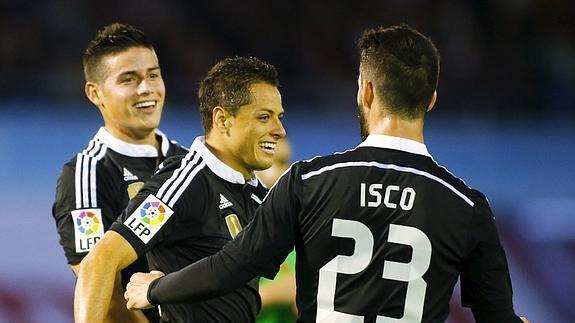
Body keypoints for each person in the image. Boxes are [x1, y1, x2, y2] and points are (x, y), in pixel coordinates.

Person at [124, 25, 530, 323]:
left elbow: (233, 266)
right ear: (432, 100)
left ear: (366, 92)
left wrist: (155, 289)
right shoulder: (467, 206)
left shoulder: (308, 181)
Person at [74, 56, 286, 322]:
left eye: (279, 118)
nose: (279, 130)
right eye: (264, 117)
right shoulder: (184, 183)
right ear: (222, 119)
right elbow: (99, 261)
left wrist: (158, 289)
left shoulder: (257, 196)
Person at [51, 22, 187, 322]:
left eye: (153, 74)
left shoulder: (190, 162)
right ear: (94, 93)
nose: (147, 88)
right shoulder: (86, 176)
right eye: (129, 79)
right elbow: (102, 289)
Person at [254, 138, 297, 323]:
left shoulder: (300, 230)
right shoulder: (216, 223)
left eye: (284, 162)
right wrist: (272, 293)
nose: (282, 173)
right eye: (271, 162)